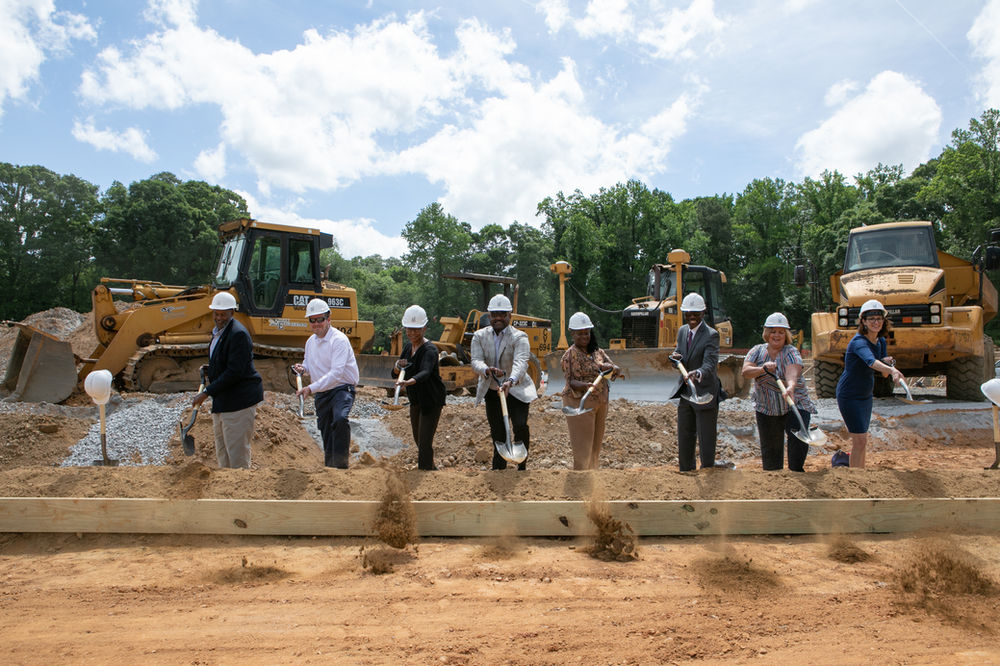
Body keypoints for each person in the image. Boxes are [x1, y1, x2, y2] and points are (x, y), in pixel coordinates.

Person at [191, 291, 264, 469]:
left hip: (238, 403)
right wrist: (211, 369)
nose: (219, 317)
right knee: (223, 454)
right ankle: (225, 493)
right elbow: (225, 359)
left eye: (223, 314)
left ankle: (240, 493)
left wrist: (207, 392)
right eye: (216, 313)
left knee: (237, 456)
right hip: (224, 402)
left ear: (232, 312)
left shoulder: (238, 334)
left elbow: (235, 372)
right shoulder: (219, 332)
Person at [741, 312, 816, 472]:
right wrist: (763, 369)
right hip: (767, 406)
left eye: (781, 332)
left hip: (794, 403)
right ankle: (774, 481)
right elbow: (746, 371)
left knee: (797, 440)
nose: (777, 335)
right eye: (773, 331)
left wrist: (790, 386)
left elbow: (792, 371)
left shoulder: (791, 352)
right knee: (771, 451)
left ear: (786, 335)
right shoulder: (757, 351)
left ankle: (796, 473)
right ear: (767, 333)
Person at [471, 294, 537, 470]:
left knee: (520, 425)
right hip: (492, 390)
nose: (498, 318)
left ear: (510, 316)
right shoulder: (479, 336)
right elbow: (476, 360)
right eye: (494, 314)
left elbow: (521, 362)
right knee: (498, 430)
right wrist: (486, 369)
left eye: (502, 314)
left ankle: (521, 465)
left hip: (516, 390)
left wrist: (510, 380)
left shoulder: (519, 337)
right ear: (489, 316)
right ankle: (498, 468)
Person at [835, 299, 904, 468]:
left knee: (862, 439)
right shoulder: (859, 342)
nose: (876, 322)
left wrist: (887, 363)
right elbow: (870, 362)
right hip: (850, 395)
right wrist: (893, 370)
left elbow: (881, 371)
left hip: (865, 396)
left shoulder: (879, 341)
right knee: (859, 440)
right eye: (871, 318)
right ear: (863, 321)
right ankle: (856, 476)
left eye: (879, 318)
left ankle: (859, 473)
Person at [294, 298, 359, 468]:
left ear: (328, 319)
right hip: (322, 392)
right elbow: (309, 363)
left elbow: (336, 373)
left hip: (341, 389)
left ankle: (341, 465)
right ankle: (330, 468)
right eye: (312, 320)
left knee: (339, 419)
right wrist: (303, 369)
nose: (316, 324)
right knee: (325, 429)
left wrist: (310, 388)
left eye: (320, 319)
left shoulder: (339, 340)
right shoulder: (310, 342)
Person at [560, 312, 622, 470]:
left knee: (595, 444)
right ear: (572, 333)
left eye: (586, 333)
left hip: (600, 401)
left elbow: (615, 369)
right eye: (580, 333)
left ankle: (592, 477)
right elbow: (571, 381)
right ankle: (580, 480)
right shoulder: (570, 355)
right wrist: (586, 385)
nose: (584, 336)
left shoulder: (598, 352)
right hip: (579, 401)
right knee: (583, 445)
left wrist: (611, 368)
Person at [669, 292, 722, 471]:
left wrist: (698, 373)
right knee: (685, 433)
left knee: (706, 436)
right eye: (688, 313)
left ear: (703, 313)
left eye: (696, 314)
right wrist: (676, 357)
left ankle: (707, 470)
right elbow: (681, 353)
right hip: (686, 391)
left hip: (704, 391)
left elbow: (710, 362)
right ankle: (686, 469)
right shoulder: (682, 331)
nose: (692, 317)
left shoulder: (711, 335)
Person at [391, 305, 446, 471]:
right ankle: (431, 468)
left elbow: (426, 372)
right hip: (416, 399)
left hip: (431, 399)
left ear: (424, 328)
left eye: (417, 329)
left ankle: (424, 472)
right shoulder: (408, 348)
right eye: (409, 329)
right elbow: (396, 372)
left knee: (424, 439)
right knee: (418, 438)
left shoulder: (430, 350)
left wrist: (411, 381)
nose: (412, 333)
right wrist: (397, 366)